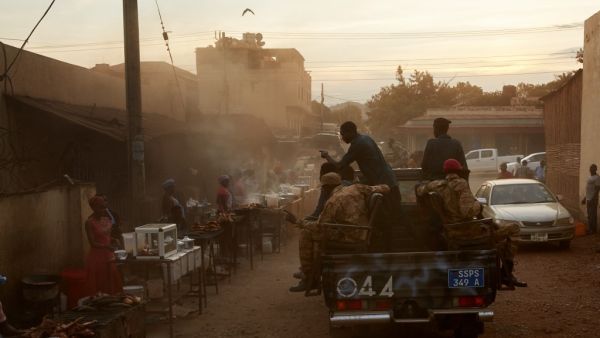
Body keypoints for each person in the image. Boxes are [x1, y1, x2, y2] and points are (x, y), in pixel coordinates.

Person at [417, 159, 526, 289]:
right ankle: (506, 275)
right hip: (467, 232)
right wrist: (477, 205)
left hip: (450, 231)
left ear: (445, 172)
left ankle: (504, 274)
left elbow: (419, 190)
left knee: (499, 238)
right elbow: (467, 212)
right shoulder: (461, 184)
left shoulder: (437, 185)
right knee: (514, 229)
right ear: (459, 171)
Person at [290, 172, 390, 292]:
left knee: (306, 233)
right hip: (363, 232)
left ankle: (309, 279)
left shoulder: (333, 201)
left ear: (326, 188)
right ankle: (312, 274)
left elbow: (320, 226)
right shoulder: (356, 188)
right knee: (314, 231)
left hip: (349, 236)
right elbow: (385, 187)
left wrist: (298, 222)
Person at [320, 121, 401, 249]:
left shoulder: (357, 145)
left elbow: (340, 165)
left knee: (386, 223)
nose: (342, 138)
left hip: (384, 184)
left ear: (350, 132)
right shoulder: (366, 138)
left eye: (343, 135)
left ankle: (386, 254)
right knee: (391, 221)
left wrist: (327, 156)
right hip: (389, 181)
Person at [85, 195, 122, 295]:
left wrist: (114, 239)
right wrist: (107, 246)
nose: (103, 210)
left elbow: (105, 236)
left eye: (104, 207)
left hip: (108, 255)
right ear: (93, 208)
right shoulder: (89, 222)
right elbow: (93, 243)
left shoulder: (105, 219)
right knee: (100, 285)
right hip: (97, 258)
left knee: (111, 283)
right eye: (100, 207)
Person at [582, 164, 600, 235]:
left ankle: (593, 230)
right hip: (588, 198)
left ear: (595, 169)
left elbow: (597, 189)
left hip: (593, 199)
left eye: (592, 169)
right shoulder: (590, 177)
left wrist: (593, 198)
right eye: (590, 168)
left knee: (593, 215)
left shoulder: (597, 178)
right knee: (589, 214)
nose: (590, 170)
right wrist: (584, 198)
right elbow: (588, 189)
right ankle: (590, 229)